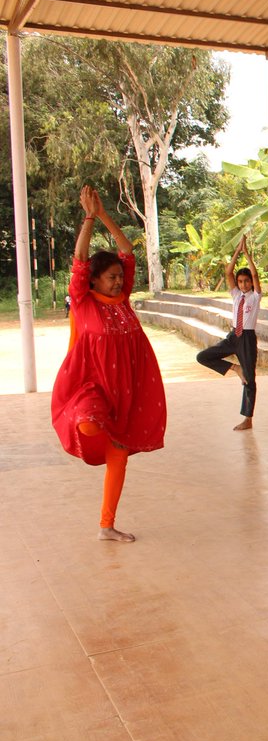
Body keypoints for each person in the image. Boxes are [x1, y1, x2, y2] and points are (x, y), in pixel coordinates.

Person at [51, 185, 166, 542]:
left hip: (127, 388)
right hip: (91, 384)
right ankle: (96, 436)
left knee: (120, 455)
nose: (118, 281)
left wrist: (104, 214)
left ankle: (107, 525)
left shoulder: (123, 299)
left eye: (120, 276)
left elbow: (127, 249)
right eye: (111, 277)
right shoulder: (84, 301)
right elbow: (81, 259)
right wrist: (88, 219)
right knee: (87, 424)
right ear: (95, 280)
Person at [195, 235, 261, 431]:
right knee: (203, 356)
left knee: (250, 379)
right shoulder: (235, 295)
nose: (243, 285)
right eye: (240, 282)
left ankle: (248, 418)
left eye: (246, 281)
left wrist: (247, 254)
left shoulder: (255, 297)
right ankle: (235, 369)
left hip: (247, 338)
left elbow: (256, 276)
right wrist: (237, 251)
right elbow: (228, 272)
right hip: (233, 336)